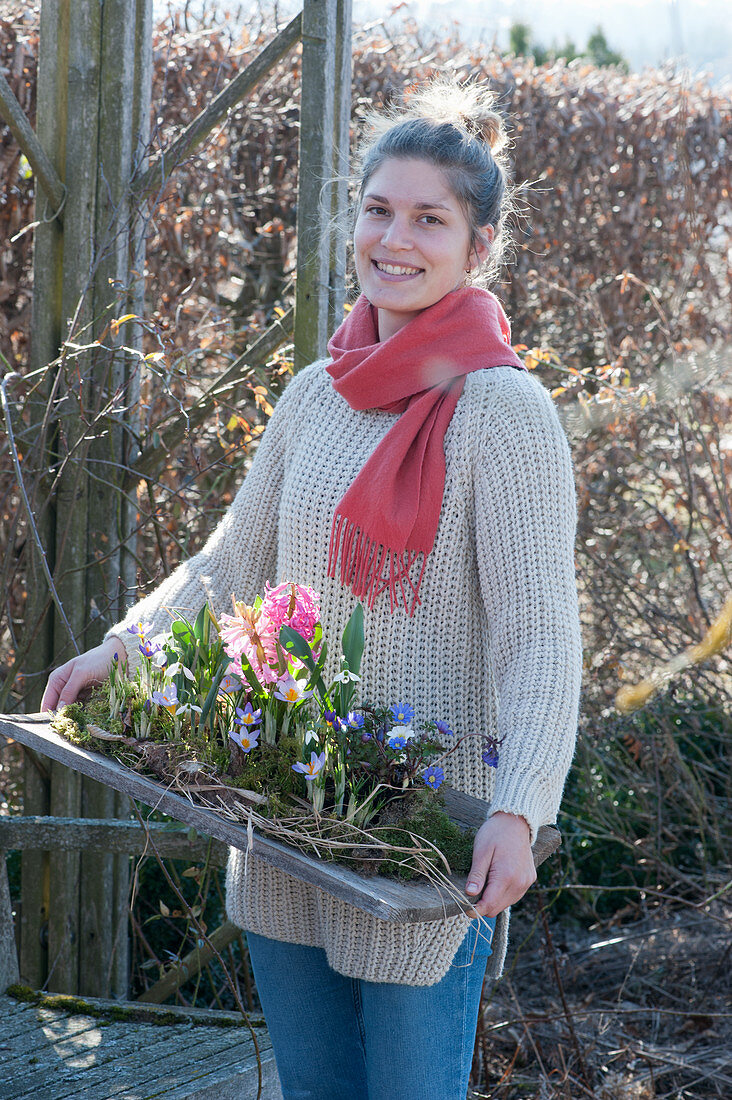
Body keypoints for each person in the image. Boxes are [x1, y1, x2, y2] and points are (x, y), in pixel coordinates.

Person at [42, 79, 582, 1100]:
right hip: (290, 813)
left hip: (427, 839)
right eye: (379, 209)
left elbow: (539, 632)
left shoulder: (505, 410)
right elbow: (231, 563)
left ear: (480, 245)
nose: (396, 237)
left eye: (431, 218)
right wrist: (127, 644)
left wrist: (520, 807)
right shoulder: (315, 393)